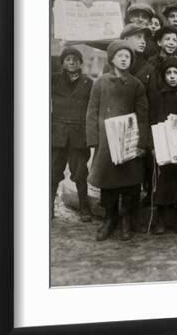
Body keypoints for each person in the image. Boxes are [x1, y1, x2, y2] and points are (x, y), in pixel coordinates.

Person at [86, 40, 150, 241]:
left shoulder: (136, 84)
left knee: (130, 184)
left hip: (129, 141)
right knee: (108, 183)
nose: (124, 60)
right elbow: (92, 111)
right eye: (120, 56)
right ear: (112, 59)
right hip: (107, 142)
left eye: (128, 57)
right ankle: (110, 218)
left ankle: (125, 220)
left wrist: (141, 143)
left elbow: (143, 115)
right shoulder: (101, 83)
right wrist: (93, 140)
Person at [148, 57, 177, 234]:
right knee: (164, 181)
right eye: (169, 73)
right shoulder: (158, 96)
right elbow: (152, 120)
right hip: (163, 144)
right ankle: (161, 219)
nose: (172, 77)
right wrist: (152, 145)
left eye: (176, 73)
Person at [51, 47, 93, 222]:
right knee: (53, 172)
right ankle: (48, 208)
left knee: (80, 173)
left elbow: (92, 109)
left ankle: (84, 208)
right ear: (62, 62)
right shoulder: (52, 80)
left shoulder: (88, 83)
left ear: (81, 62)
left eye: (75, 59)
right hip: (57, 134)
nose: (72, 62)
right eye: (68, 59)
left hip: (78, 134)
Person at [120, 23, 154, 89]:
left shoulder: (149, 69)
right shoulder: (112, 65)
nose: (143, 41)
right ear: (126, 39)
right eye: (138, 37)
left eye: (144, 38)